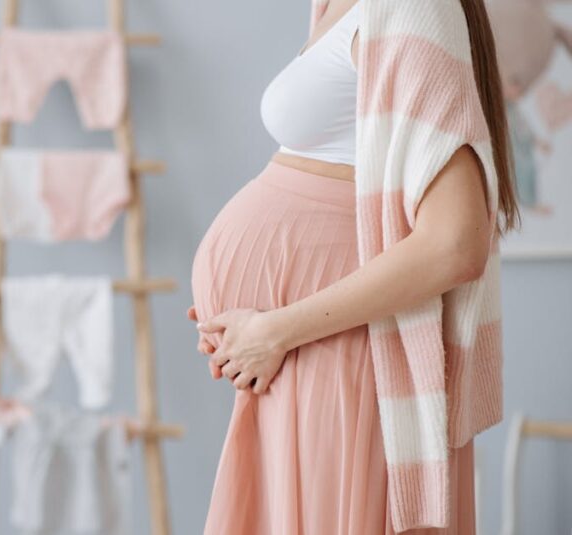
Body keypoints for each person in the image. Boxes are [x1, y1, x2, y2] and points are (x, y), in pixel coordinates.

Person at [188, 0, 518, 533]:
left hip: (345, 350)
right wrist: (242, 316)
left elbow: (457, 243)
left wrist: (274, 328)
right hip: (301, 351)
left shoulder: (412, 6)